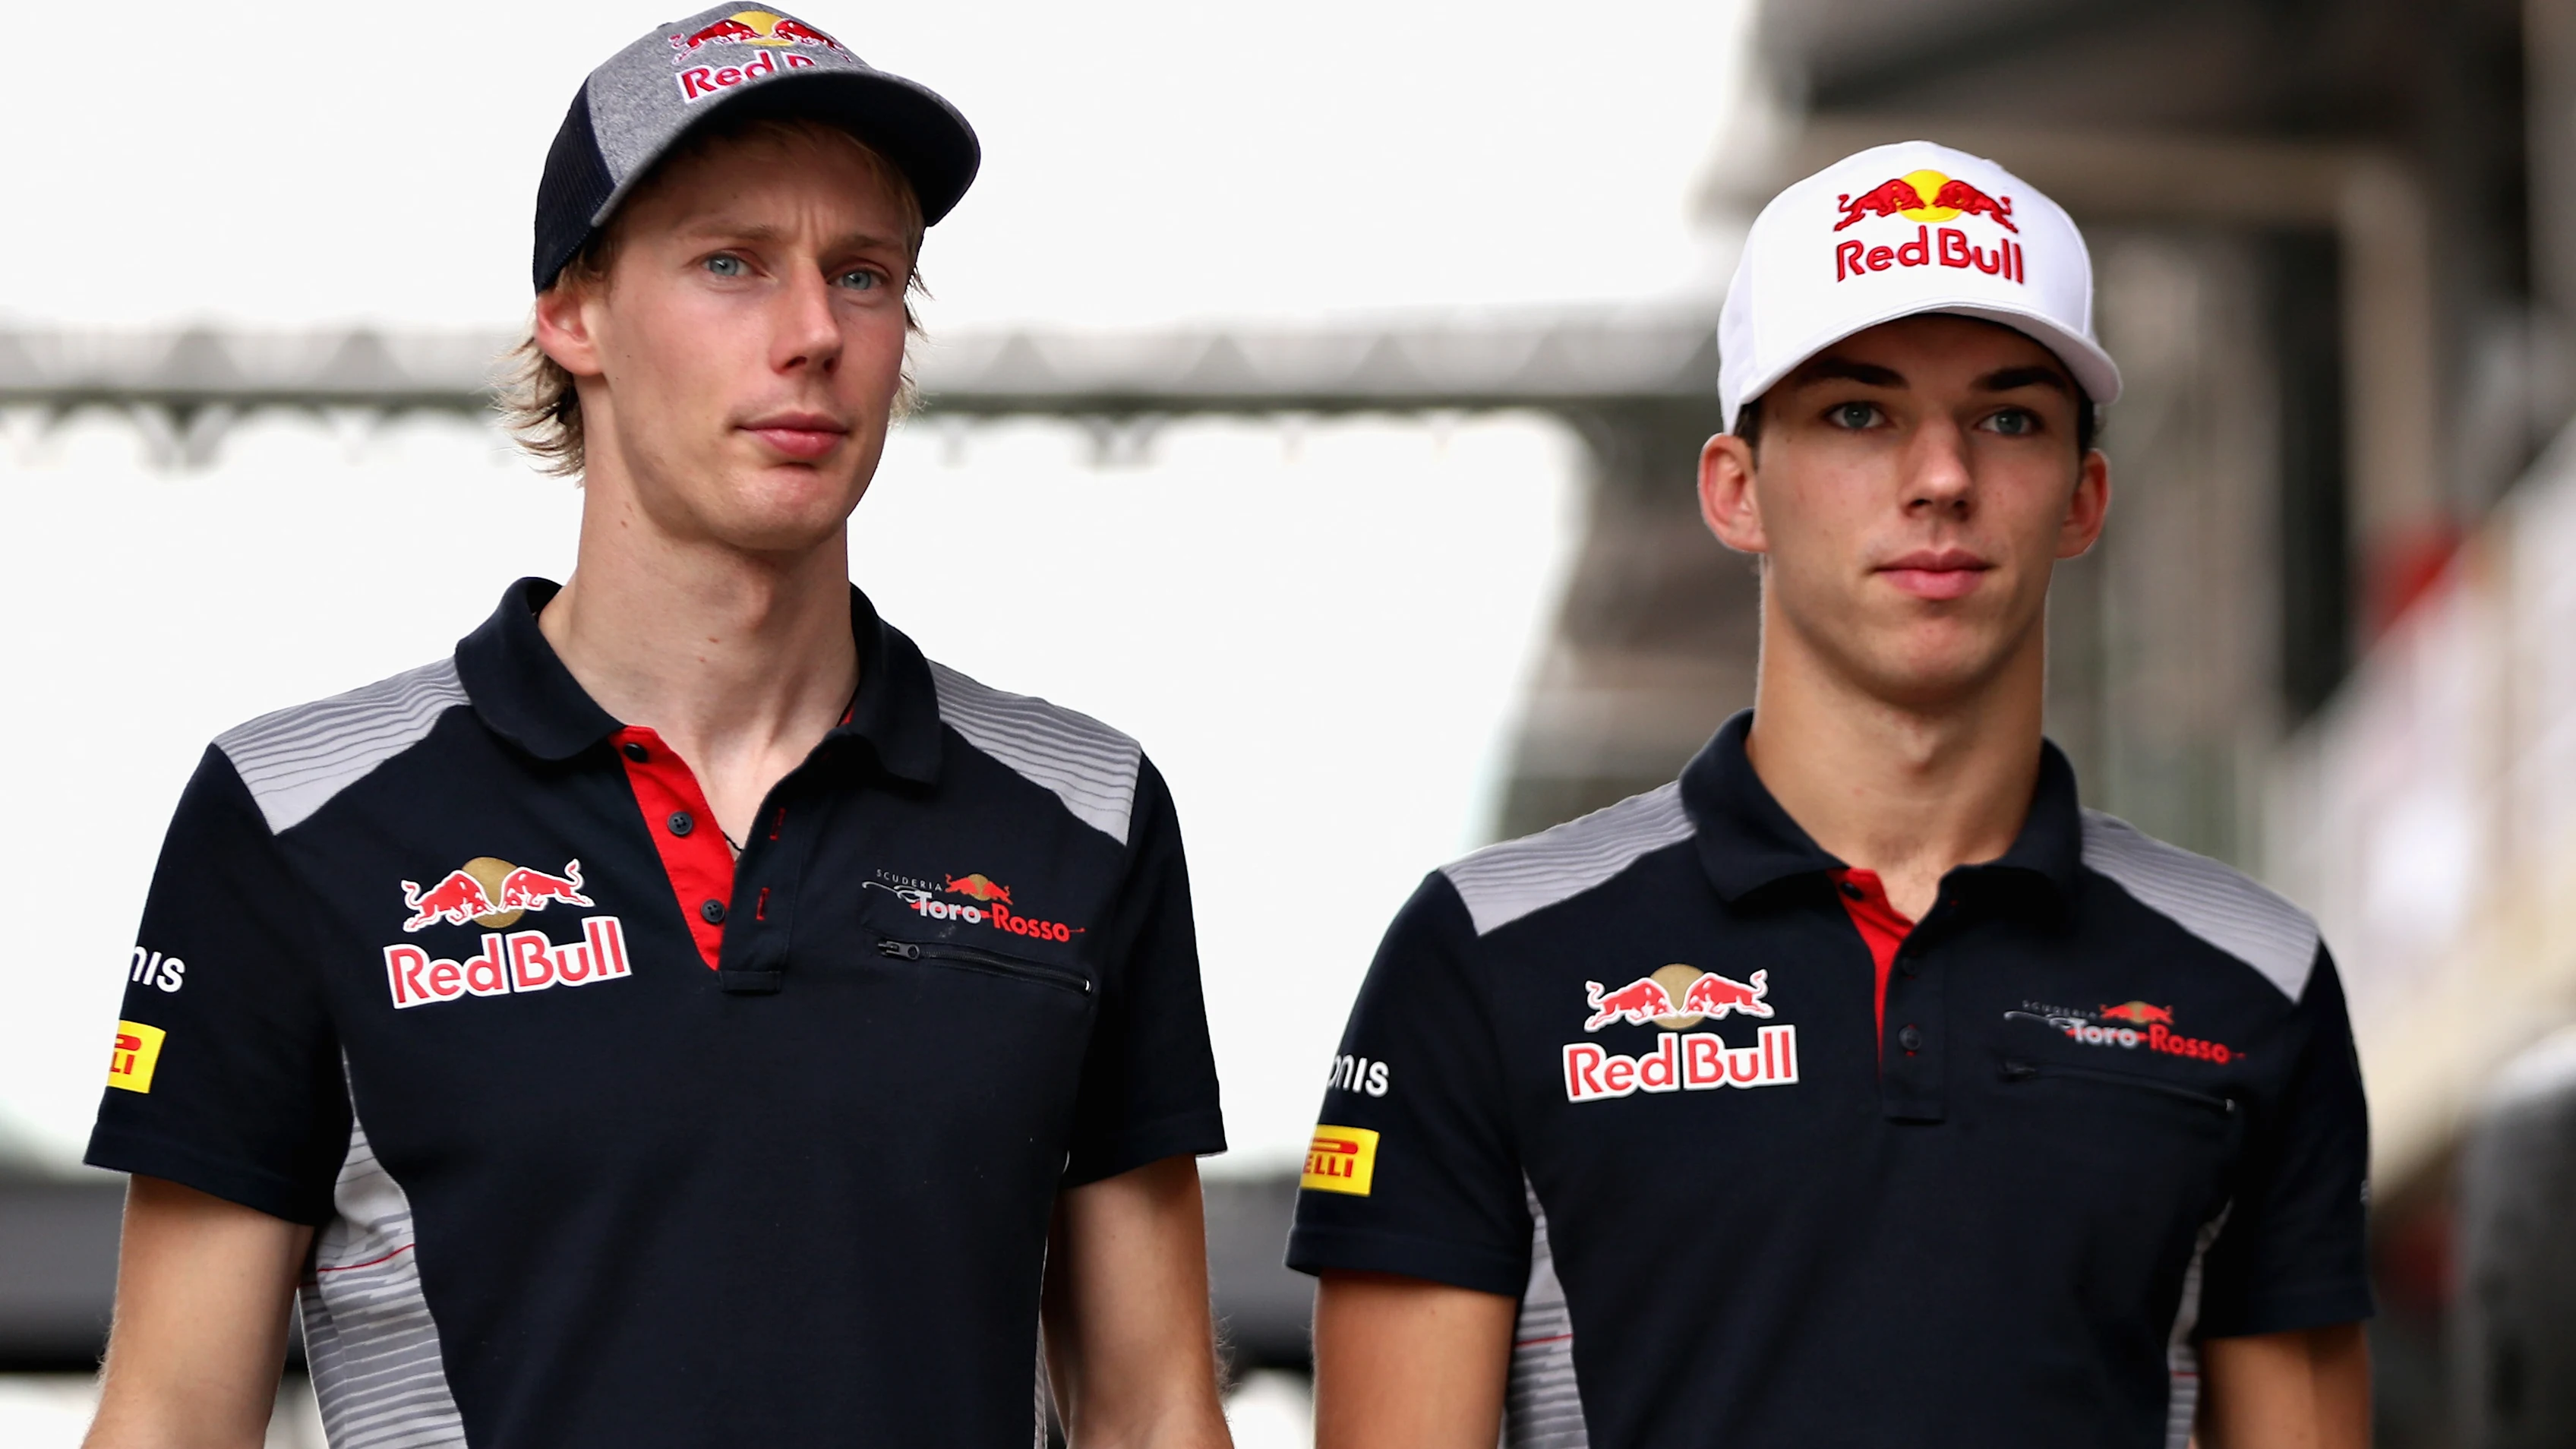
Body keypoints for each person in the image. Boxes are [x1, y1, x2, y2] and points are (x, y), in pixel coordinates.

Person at [80, 10, 1231, 1447]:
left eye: (864, 275)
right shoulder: (295, 815)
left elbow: (1153, 1417)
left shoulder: (1086, 814)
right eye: (731, 264)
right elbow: (173, 1425)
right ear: (574, 313)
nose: (814, 334)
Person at [1288, 140, 2372, 1449]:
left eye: (2010, 418)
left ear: (2084, 498)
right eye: (1858, 414)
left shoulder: (2254, 978)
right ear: (1736, 491)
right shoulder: (1487, 955)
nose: (1941, 478)